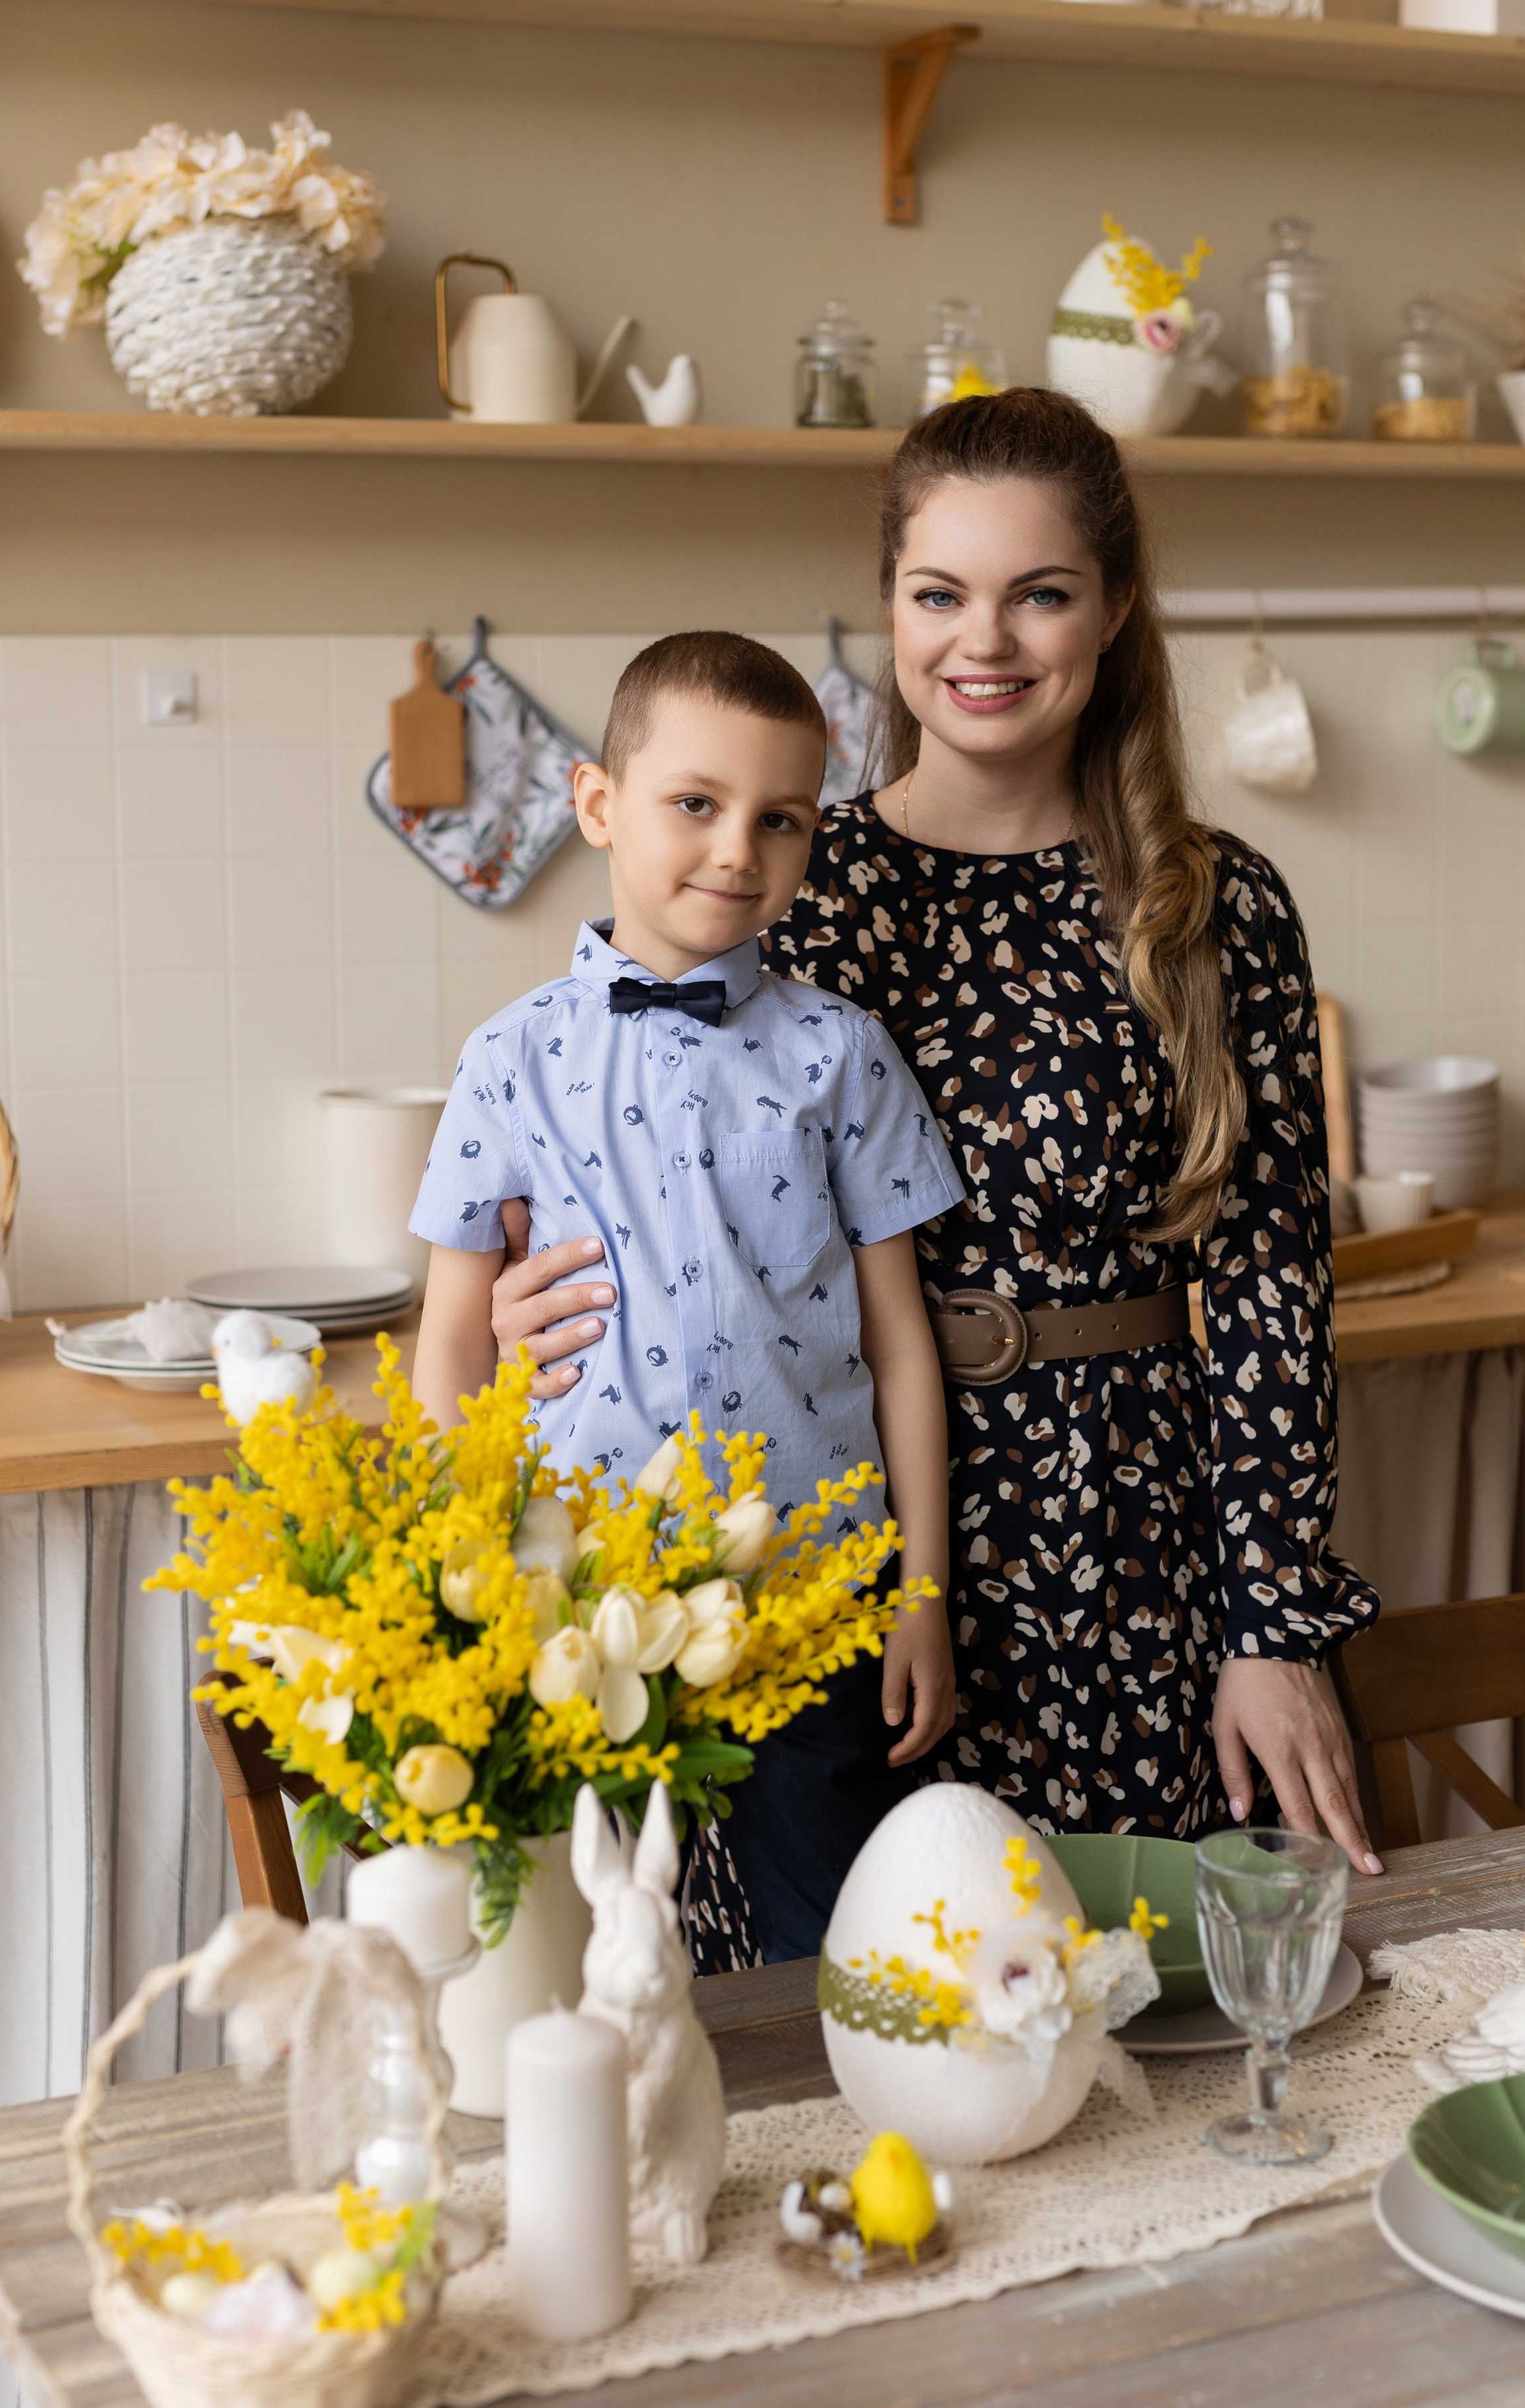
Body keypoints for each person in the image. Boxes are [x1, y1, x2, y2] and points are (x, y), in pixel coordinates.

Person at [485, 390, 1385, 1885]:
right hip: (818, 1552)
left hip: (1130, 1549)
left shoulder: (1214, 904)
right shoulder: (784, 881)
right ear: (889, 611)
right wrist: (533, 1309)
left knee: (1138, 2023)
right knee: (833, 2024)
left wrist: (1272, 1628)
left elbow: (1276, 1292)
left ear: (1110, 615)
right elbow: (611, 1146)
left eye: (1039, 594)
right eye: (938, 595)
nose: (985, 642)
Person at [409, 628, 965, 1966]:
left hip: (807, 1597)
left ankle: (830, 2177)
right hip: (573, 1606)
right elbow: (443, 1353)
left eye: (779, 820)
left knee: (823, 1952)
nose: (737, 850)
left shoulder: (843, 1054)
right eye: (696, 805)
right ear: (598, 804)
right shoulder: (507, 1060)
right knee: (586, 1951)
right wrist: (463, 1586)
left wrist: (922, 1596)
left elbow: (902, 1348)